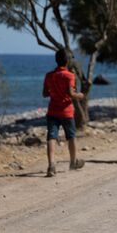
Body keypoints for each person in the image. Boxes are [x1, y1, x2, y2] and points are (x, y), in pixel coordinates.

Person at [43, 48, 85, 177]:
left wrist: (55, 91)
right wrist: (80, 95)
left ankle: (51, 165)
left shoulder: (49, 75)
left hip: (52, 111)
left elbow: (45, 93)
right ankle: (73, 162)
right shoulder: (70, 75)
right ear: (67, 61)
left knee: (51, 137)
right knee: (71, 136)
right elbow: (71, 93)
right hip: (66, 112)